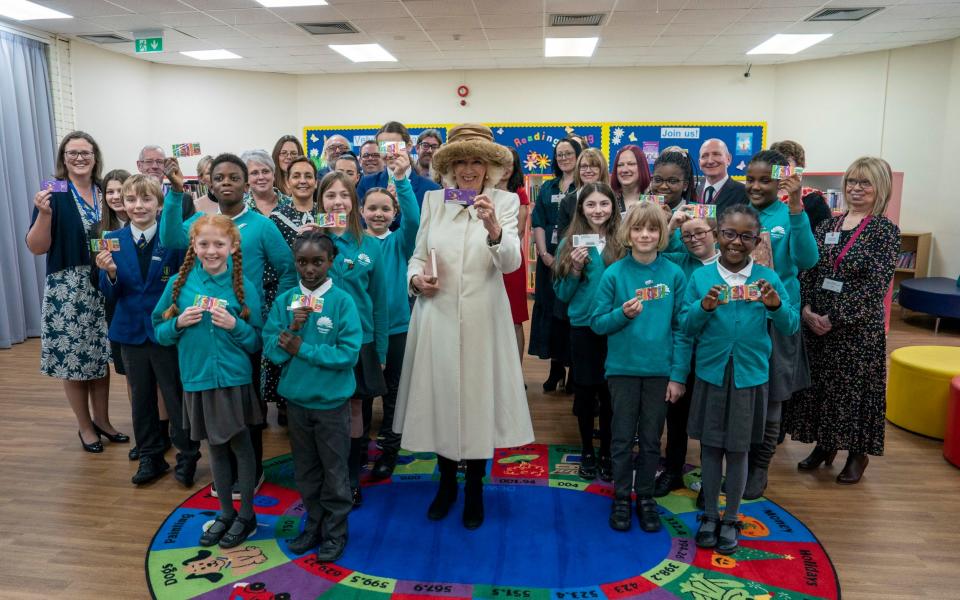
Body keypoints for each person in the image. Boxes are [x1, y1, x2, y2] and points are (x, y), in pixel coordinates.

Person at [394, 123, 534, 530]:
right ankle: (446, 484)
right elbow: (418, 256)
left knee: (476, 401)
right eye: (461, 162)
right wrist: (416, 280)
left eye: (477, 162)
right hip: (435, 316)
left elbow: (510, 263)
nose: (469, 169)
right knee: (441, 397)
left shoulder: (504, 202)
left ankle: (474, 487)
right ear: (449, 167)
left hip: (483, 318)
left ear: (489, 167)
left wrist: (494, 228)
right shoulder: (434, 201)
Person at [160, 153, 297, 488]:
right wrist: (176, 193)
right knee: (218, 408)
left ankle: (252, 472)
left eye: (234, 177)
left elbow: (288, 272)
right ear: (209, 183)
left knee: (248, 408)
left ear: (246, 184)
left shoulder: (262, 225)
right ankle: (228, 473)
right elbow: (170, 240)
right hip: (206, 333)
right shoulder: (203, 223)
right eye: (219, 177)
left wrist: (272, 315)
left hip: (243, 329)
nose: (226, 183)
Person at [683, 204, 798, 555]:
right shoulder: (701, 277)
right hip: (712, 373)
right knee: (712, 447)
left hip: (749, 377)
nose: (736, 242)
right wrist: (703, 308)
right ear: (718, 234)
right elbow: (687, 327)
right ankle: (710, 515)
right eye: (730, 234)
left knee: (738, 450)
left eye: (746, 236)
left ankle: (731, 518)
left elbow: (791, 325)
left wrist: (776, 305)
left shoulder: (768, 278)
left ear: (756, 240)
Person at [784, 157, 900, 484]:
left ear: (881, 188)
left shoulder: (884, 231)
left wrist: (834, 317)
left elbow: (874, 285)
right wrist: (806, 309)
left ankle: (857, 454)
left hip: (855, 329)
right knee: (823, 388)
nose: (856, 188)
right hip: (817, 323)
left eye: (865, 182)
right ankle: (826, 445)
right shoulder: (827, 226)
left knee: (853, 392)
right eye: (851, 182)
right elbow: (809, 267)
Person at [152, 215, 263, 549]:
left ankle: (247, 515)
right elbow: (158, 330)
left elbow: (256, 340)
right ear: (194, 246)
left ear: (232, 246)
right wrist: (178, 324)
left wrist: (235, 325)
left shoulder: (243, 285)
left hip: (233, 379)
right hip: (197, 378)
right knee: (214, 448)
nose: (211, 251)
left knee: (240, 446)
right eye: (204, 244)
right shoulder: (179, 286)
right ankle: (225, 513)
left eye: (219, 244)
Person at [590, 201, 690, 533]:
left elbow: (681, 327)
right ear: (627, 234)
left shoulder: (674, 274)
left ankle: (645, 497)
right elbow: (598, 323)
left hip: (660, 372)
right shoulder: (614, 273)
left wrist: (677, 375)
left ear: (662, 234)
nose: (645, 234)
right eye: (637, 228)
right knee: (620, 438)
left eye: (652, 228)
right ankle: (621, 496)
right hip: (622, 370)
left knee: (650, 439)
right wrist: (623, 314)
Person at [263, 231, 362, 562]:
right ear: (295, 263)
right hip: (297, 403)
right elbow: (271, 353)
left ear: (330, 262)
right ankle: (314, 526)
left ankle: (336, 533)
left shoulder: (343, 302)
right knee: (305, 471)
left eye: (317, 261)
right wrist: (290, 329)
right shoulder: (286, 301)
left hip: (332, 405)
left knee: (335, 473)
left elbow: (348, 355)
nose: (309, 269)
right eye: (302, 262)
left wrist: (302, 348)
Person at [96, 174, 200, 486]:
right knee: (140, 399)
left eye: (146, 199)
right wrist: (110, 274)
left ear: (159, 204)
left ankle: (187, 455)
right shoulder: (111, 239)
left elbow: (185, 284)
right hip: (130, 331)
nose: (138, 206)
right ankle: (150, 456)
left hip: (166, 330)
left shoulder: (174, 238)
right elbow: (109, 294)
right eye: (131, 200)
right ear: (122, 205)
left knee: (176, 395)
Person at [26, 131, 125, 453]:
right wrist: (43, 214)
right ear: (63, 158)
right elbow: (36, 247)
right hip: (68, 289)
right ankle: (85, 428)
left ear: (95, 156)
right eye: (72, 153)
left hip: (104, 283)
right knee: (74, 360)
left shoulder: (104, 190)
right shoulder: (53, 192)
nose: (79, 158)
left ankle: (104, 421)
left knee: (100, 358)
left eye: (85, 152)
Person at [308, 171, 388, 507]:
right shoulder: (311, 243)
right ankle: (327, 476)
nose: (337, 201)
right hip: (320, 340)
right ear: (321, 201)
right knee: (325, 409)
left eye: (344, 195)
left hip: (361, 343)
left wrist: (380, 350)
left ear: (353, 202)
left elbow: (380, 302)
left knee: (356, 409)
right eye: (330, 195)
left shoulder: (370, 244)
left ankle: (351, 479)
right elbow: (293, 293)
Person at [742, 149, 819, 499]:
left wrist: (797, 209)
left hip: (778, 313)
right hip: (742, 315)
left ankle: (760, 466)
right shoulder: (738, 214)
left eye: (765, 180)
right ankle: (740, 459)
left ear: (781, 181)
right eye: (751, 179)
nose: (756, 186)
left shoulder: (788, 215)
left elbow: (807, 259)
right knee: (743, 392)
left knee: (773, 396)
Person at [553, 182, 624, 482]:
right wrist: (575, 270)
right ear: (581, 209)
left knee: (610, 393)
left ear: (613, 207)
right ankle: (587, 451)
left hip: (616, 327)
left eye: (604, 204)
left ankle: (607, 451)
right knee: (585, 390)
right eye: (591, 204)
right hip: (583, 327)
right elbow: (563, 294)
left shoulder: (622, 240)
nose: (598, 210)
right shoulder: (569, 243)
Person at [359, 152, 420, 480]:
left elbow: (414, 220)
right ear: (362, 212)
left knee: (394, 392)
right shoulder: (354, 246)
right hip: (364, 331)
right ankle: (359, 447)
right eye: (373, 208)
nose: (379, 213)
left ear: (393, 212)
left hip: (398, 327)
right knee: (364, 393)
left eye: (385, 208)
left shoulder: (400, 242)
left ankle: (390, 449)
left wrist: (401, 180)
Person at [656, 216, 720, 497]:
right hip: (681, 352)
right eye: (687, 235)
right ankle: (672, 470)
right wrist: (670, 227)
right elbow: (653, 253)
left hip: (712, 356)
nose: (694, 239)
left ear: (715, 233)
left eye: (700, 233)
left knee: (710, 421)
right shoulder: (679, 262)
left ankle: (710, 480)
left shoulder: (726, 265)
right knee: (676, 416)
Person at [241, 149, 294, 425]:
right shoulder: (240, 207)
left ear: (274, 174)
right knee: (256, 352)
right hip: (252, 291)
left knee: (282, 346)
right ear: (246, 178)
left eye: (265, 171)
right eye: (254, 172)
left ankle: (285, 405)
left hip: (284, 287)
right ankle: (258, 410)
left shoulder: (289, 204)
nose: (260, 177)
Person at [529, 137, 581, 392]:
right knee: (550, 311)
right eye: (559, 154)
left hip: (577, 259)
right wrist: (543, 254)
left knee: (570, 312)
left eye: (568, 153)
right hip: (549, 258)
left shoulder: (586, 188)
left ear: (578, 155)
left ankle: (574, 370)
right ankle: (556, 368)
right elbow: (537, 221)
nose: (563, 158)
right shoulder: (548, 188)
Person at [356, 121, 441, 214]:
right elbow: (360, 222)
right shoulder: (366, 183)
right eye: (383, 147)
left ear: (408, 146)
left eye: (394, 146)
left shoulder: (432, 189)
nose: (389, 153)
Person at [497, 147, 531, 363]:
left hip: (510, 260)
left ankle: (516, 376)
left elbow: (517, 230)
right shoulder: (482, 190)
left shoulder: (519, 192)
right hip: (485, 260)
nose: (506, 168)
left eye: (511, 163)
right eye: (502, 163)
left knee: (515, 319)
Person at [768, 140, 832, 233]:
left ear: (799, 166)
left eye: (786, 160)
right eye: (775, 161)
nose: (780, 165)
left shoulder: (813, 199)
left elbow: (823, 234)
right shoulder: (762, 196)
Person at [556, 148, 610, 236]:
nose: (588, 170)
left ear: (602, 169)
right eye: (584, 167)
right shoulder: (567, 201)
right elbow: (562, 239)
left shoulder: (613, 198)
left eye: (593, 166)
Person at [137, 145, 196, 220]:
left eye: (160, 162)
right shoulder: (132, 199)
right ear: (139, 166)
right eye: (149, 161)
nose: (155, 166)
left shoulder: (184, 200)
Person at [697, 139, 748, 215]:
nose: (710, 161)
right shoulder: (694, 190)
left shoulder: (744, 193)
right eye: (705, 156)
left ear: (728, 159)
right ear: (699, 163)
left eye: (716, 154)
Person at [610, 145, 653, 213]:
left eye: (631, 164)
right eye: (620, 165)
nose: (625, 170)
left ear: (642, 167)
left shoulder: (653, 199)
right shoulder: (608, 199)